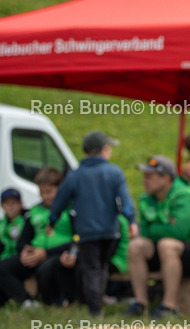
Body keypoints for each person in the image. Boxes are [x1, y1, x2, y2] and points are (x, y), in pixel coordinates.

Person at [48, 131, 138, 316]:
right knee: (102, 266)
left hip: (87, 232)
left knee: (92, 268)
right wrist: (131, 221)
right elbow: (125, 200)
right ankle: (98, 304)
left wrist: (52, 220)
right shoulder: (114, 172)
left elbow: (60, 201)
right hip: (111, 231)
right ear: (104, 150)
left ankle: (95, 309)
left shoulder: (75, 176)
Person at [127, 155, 190, 318]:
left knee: (167, 244)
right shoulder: (147, 198)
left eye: (149, 177)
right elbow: (145, 231)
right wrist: (164, 227)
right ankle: (141, 303)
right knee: (136, 246)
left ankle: (169, 306)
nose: (144, 181)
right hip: (166, 250)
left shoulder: (184, 194)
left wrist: (155, 228)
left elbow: (178, 232)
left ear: (165, 178)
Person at [0, 173, 76, 307]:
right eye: (41, 192)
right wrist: (25, 250)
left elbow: (78, 239)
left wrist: (46, 253)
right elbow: (23, 240)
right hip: (35, 255)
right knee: (3, 267)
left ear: (60, 188)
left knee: (46, 269)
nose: (45, 196)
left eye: (49, 192)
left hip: (59, 255)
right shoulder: (33, 212)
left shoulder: (70, 210)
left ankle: (53, 302)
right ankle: (26, 302)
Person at [0, 188, 26, 261]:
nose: (10, 206)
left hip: (19, 258)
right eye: (7, 203)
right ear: (2, 205)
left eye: (14, 202)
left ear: (21, 204)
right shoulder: (1, 224)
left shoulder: (27, 221)